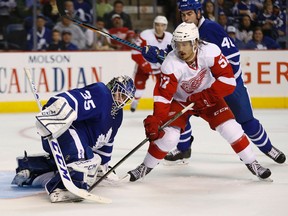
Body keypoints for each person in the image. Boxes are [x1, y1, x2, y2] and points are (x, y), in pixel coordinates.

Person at [140, 0, 286, 165]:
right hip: (203, 84)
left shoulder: (210, 29)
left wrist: (215, 79)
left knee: (246, 120)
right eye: (183, 14)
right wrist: (156, 53)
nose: (186, 18)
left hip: (228, 84)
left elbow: (233, 58)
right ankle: (183, 148)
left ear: (199, 13)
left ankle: (268, 148)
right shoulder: (185, 31)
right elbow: (174, 54)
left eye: (189, 14)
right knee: (180, 110)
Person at [125, 22, 271, 182]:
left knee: (231, 128)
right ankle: (145, 166)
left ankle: (252, 163)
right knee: (169, 137)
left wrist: (205, 97)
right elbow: (164, 95)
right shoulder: (170, 63)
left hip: (209, 98)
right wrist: (157, 119)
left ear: (195, 43)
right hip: (181, 101)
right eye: (178, 44)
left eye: (185, 44)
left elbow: (228, 81)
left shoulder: (210, 51)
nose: (180, 49)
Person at [11, 75, 136, 202]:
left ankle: (32, 170)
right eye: (121, 95)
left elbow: (107, 140)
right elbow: (76, 97)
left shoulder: (117, 115)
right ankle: (60, 188)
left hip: (70, 145)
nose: (122, 101)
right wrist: (53, 108)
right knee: (83, 158)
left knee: (90, 162)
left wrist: (102, 165)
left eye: (126, 98)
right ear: (113, 88)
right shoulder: (102, 93)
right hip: (58, 130)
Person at [130, 15, 173, 112]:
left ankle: (165, 106)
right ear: (154, 25)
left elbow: (173, 54)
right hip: (144, 66)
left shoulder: (170, 37)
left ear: (165, 27)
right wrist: (144, 64)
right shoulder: (145, 35)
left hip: (160, 68)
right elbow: (135, 53)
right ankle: (136, 100)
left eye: (162, 25)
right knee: (139, 88)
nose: (159, 28)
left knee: (164, 88)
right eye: (157, 25)